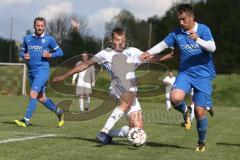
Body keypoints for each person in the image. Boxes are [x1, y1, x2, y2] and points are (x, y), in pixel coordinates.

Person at [141, 4, 216, 151]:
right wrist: (148, 52)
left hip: (203, 76)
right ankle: (186, 111)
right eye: (179, 20)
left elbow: (212, 47)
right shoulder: (176, 33)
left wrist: (198, 40)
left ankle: (201, 141)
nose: (181, 22)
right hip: (185, 73)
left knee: (200, 111)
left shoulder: (203, 29)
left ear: (192, 17)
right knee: (175, 97)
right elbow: (162, 45)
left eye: (183, 19)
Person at [53, 28, 145, 145]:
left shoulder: (133, 51)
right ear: (112, 40)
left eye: (122, 39)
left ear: (125, 40)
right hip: (117, 87)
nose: (120, 42)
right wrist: (65, 75)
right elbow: (85, 65)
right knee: (127, 100)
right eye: (117, 39)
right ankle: (104, 131)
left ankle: (109, 135)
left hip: (131, 90)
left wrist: (170, 55)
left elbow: (150, 57)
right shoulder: (105, 53)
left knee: (138, 130)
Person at [15, 17, 64, 127]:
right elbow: (22, 52)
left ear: (44, 27)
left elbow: (60, 52)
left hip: (43, 71)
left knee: (33, 93)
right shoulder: (27, 38)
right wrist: (24, 55)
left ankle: (25, 120)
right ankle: (59, 111)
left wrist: (50, 55)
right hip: (31, 71)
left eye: (42, 26)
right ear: (34, 26)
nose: (40, 28)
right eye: (38, 25)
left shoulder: (49, 39)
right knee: (41, 98)